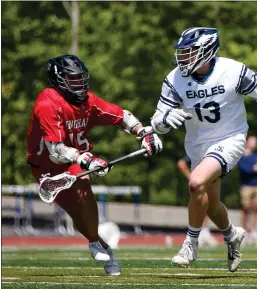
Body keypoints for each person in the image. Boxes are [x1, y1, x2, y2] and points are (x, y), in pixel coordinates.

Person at [150, 27, 257, 271]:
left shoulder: (232, 70)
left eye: (190, 52)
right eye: (183, 52)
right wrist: (165, 120)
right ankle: (232, 235)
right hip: (198, 145)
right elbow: (156, 120)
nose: (183, 57)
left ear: (206, 50)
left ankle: (190, 243)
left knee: (196, 183)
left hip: (230, 138)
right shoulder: (175, 78)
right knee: (211, 203)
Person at [26, 55, 163, 276]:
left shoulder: (87, 102)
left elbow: (121, 116)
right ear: (58, 80)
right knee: (76, 214)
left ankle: (94, 243)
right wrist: (86, 159)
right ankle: (99, 244)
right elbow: (55, 151)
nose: (79, 83)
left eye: (81, 78)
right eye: (73, 79)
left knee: (84, 187)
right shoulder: (47, 104)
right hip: (46, 164)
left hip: (73, 162)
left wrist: (143, 133)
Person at [177, 155, 218, 247]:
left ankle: (204, 231)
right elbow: (181, 163)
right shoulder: (196, 151)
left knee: (207, 206)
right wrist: (192, 178)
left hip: (207, 182)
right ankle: (196, 234)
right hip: (198, 184)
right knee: (198, 206)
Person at [238, 135, 257, 245]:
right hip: (246, 186)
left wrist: (255, 169)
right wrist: (253, 169)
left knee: (256, 208)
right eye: (253, 141)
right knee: (245, 208)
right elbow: (244, 169)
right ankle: (244, 232)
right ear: (247, 142)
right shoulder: (241, 156)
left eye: (256, 141)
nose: (255, 143)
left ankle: (254, 231)